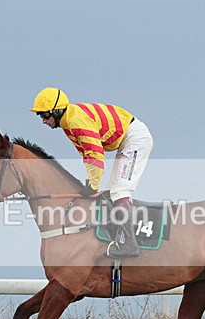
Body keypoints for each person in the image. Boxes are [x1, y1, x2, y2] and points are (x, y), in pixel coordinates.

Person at [30, 87, 154, 258]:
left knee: (119, 192)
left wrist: (93, 185)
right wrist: (90, 182)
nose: (43, 121)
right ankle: (119, 236)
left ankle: (131, 245)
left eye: (44, 115)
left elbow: (95, 153)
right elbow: (87, 154)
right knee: (113, 193)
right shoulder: (68, 123)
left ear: (57, 111)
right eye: (40, 116)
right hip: (126, 140)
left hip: (135, 139)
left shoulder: (75, 121)